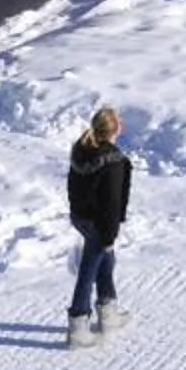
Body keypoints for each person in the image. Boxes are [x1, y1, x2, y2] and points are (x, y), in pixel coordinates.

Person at [65, 105, 133, 346]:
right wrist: (109, 232)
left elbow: (73, 186)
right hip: (99, 222)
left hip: (81, 217)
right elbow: (112, 201)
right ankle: (78, 325)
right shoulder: (113, 161)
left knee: (107, 260)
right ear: (115, 129)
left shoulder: (82, 150)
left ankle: (108, 312)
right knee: (89, 270)